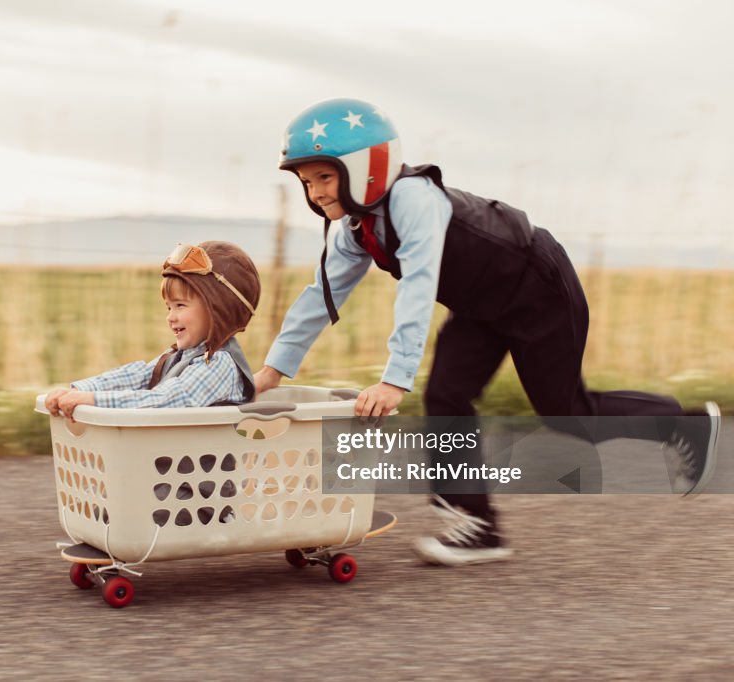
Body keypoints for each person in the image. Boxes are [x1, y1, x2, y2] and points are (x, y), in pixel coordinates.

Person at [254, 97, 722, 566]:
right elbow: (320, 295)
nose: (314, 191)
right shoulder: (355, 228)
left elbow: (417, 288)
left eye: (324, 176)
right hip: (481, 307)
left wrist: (396, 378)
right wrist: (272, 372)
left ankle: (686, 425)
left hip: (537, 287)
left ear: (367, 166)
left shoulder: (413, 199)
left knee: (567, 413)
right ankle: (478, 526)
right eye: (306, 181)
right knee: (445, 397)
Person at [46, 241, 261, 421]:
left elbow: (166, 401)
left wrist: (94, 401)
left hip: (205, 469)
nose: (170, 317)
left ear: (218, 310)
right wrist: (80, 391)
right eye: (169, 307)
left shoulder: (219, 364)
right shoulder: (184, 356)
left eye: (180, 306)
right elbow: (139, 375)